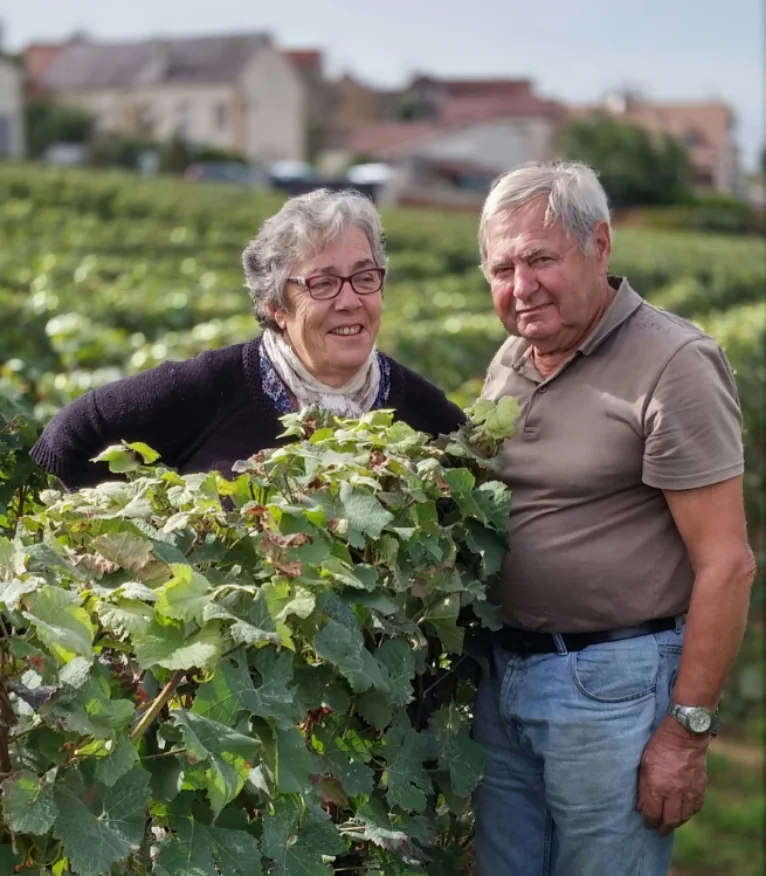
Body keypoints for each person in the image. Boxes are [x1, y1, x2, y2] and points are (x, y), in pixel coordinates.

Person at [473, 161, 756, 875]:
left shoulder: (674, 364)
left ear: (600, 245)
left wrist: (685, 734)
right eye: (501, 268)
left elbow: (727, 563)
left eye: (540, 259)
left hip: (610, 689)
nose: (520, 286)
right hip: (503, 679)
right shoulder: (512, 357)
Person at [30, 189, 464, 489]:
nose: (350, 300)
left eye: (365, 278)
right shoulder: (210, 387)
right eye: (323, 284)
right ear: (276, 306)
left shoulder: (425, 416)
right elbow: (66, 441)